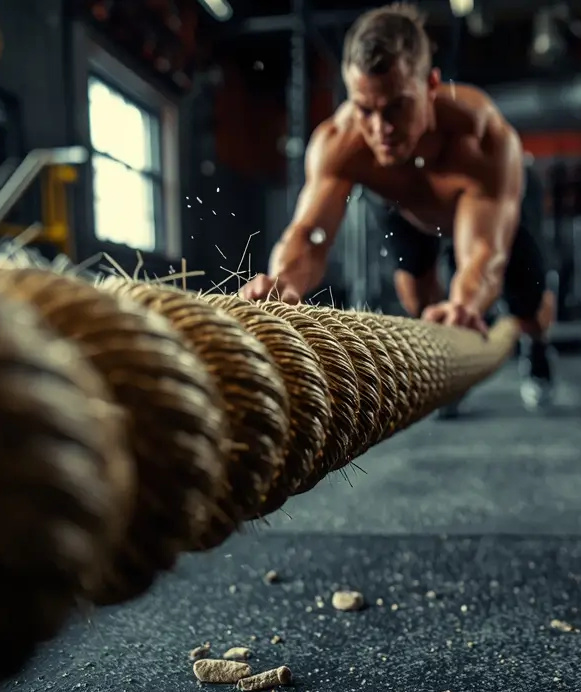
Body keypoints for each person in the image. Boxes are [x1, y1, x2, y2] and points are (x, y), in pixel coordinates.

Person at [239, 2, 557, 414]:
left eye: (396, 107)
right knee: (419, 302)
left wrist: (465, 303)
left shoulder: (481, 137)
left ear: (431, 85)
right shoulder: (340, 143)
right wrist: (283, 282)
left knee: (529, 309)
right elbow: (309, 234)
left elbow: (483, 252)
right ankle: (446, 368)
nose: (380, 129)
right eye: (365, 109)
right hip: (404, 207)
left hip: (489, 211)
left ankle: (536, 348)